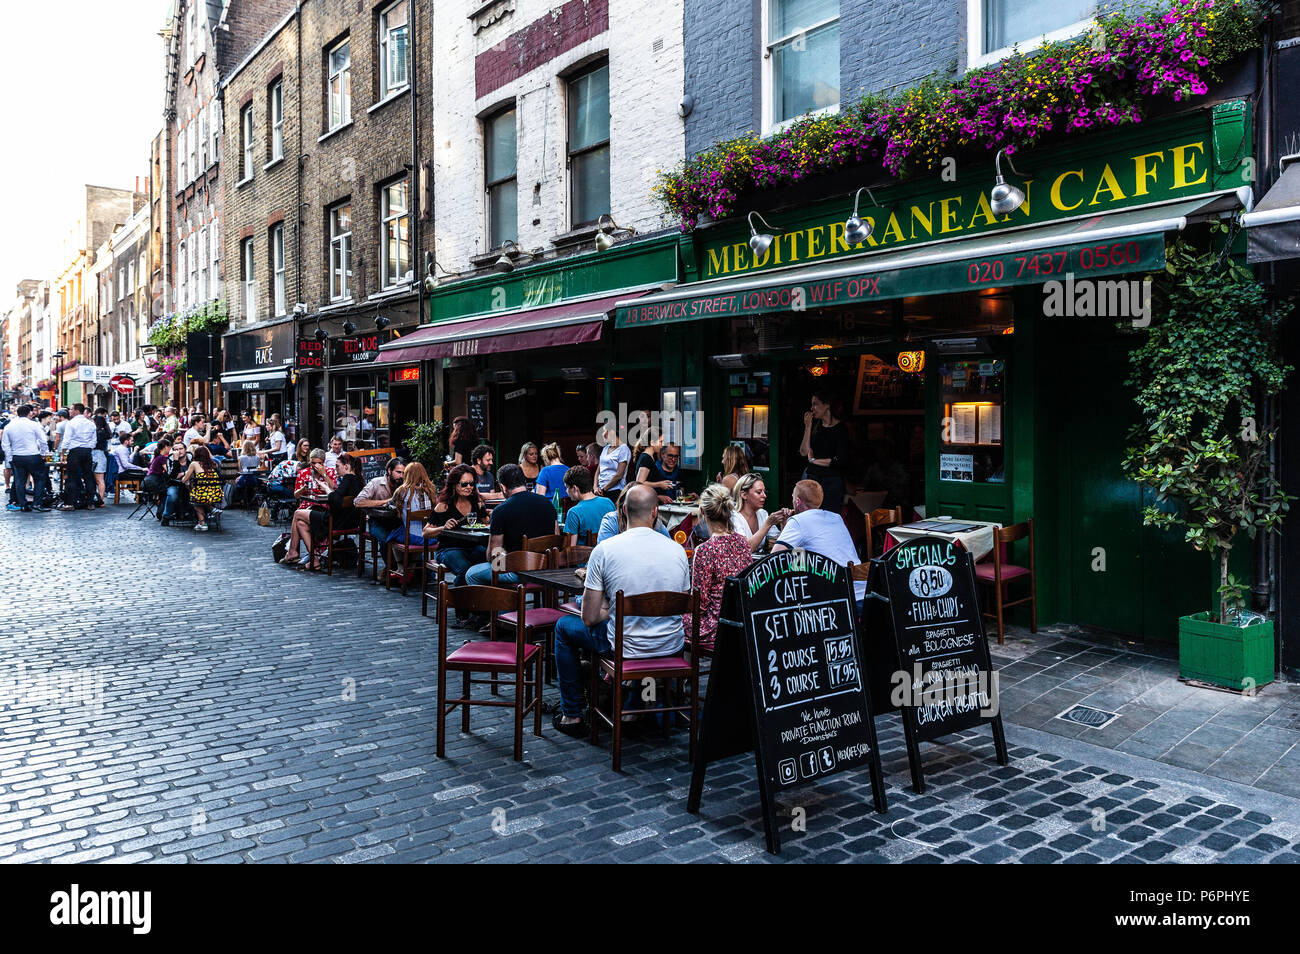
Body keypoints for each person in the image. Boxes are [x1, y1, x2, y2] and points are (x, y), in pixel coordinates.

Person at [551, 484, 690, 737]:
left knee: (563, 628)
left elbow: (590, 617)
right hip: (670, 645)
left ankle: (572, 714)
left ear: (623, 510)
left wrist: (612, 609)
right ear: (655, 513)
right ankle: (634, 707)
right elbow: (681, 603)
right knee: (635, 628)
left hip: (626, 646)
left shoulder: (606, 549)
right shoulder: (678, 550)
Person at [772, 479, 868, 610]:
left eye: (793, 497)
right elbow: (805, 553)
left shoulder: (797, 521)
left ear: (797, 501)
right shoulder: (836, 518)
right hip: (863, 593)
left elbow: (775, 556)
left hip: (837, 600)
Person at [464, 464, 557, 597]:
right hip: (546, 569)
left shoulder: (500, 511)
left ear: (502, 487)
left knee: (472, 574)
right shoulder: (548, 504)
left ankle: (492, 613)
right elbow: (556, 538)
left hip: (517, 572)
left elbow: (494, 556)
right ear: (524, 481)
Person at [683, 484, 754, 642]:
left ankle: (687, 666)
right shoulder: (742, 542)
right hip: (741, 620)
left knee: (674, 623)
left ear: (702, 512)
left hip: (716, 626)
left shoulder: (705, 550)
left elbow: (699, 604)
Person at [424, 463, 488, 588]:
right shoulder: (444, 506)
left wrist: (490, 517)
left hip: (473, 547)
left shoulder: (476, 503)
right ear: (454, 485)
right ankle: (457, 602)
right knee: (465, 570)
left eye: (472, 484)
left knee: (492, 564)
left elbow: (487, 523)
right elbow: (425, 532)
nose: (469, 487)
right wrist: (443, 528)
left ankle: (482, 600)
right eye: (464, 484)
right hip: (449, 549)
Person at [799, 390, 850, 513]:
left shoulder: (840, 429)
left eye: (815, 404)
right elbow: (804, 452)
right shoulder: (815, 427)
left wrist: (813, 460)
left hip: (832, 482)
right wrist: (808, 427)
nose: (812, 408)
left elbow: (839, 460)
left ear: (826, 405)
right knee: (811, 514)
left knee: (830, 515)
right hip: (813, 479)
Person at [355, 455, 405, 579]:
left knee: (410, 538)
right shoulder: (376, 483)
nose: (401, 476)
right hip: (377, 521)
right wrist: (384, 502)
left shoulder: (404, 485)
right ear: (389, 471)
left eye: (403, 473)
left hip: (397, 522)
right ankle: (390, 568)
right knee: (386, 540)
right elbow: (358, 502)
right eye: (398, 472)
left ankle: (406, 570)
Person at [383, 461, 439, 560]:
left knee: (393, 534)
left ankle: (401, 568)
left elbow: (390, 506)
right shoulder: (431, 490)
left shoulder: (401, 491)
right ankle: (413, 566)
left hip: (412, 537)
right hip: (431, 537)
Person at [2, 405, 51, 512]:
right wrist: (43, 453)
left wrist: (10, 457)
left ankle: (23, 504)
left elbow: (5, 444)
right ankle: (37, 503)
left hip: (17, 456)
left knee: (19, 481)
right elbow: (43, 440)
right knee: (39, 479)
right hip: (33, 455)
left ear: (17, 413)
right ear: (29, 413)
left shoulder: (9, 426)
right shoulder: (33, 425)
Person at [731, 473, 789, 552]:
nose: (764, 496)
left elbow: (779, 542)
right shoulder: (734, 517)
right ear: (744, 495)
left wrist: (783, 522)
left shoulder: (762, 513)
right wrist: (768, 524)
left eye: (764, 492)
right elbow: (744, 550)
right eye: (759, 492)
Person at [562, 465, 614, 547]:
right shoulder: (608, 502)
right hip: (609, 555)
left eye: (567, 487)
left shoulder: (574, 512)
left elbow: (571, 549)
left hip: (586, 558)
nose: (566, 491)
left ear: (575, 488)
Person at [58, 404, 98, 511]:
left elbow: (66, 440)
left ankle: (70, 503)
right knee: (88, 477)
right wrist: (89, 449)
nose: (70, 411)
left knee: (71, 477)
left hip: (75, 451)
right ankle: (90, 503)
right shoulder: (91, 424)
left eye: (71, 409)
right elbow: (94, 441)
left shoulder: (71, 423)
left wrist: (62, 453)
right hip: (87, 451)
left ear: (76, 411)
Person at [181, 445, 223, 532]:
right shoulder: (213, 464)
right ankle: (212, 509)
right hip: (216, 494)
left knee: (195, 500)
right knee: (200, 496)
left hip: (201, 495)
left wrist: (186, 475)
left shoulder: (194, 464)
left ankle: (202, 523)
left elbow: (184, 480)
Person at [636, 440, 682, 504]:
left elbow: (682, 493)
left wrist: (689, 496)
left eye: (676, 456)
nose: (673, 459)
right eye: (670, 456)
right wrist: (658, 496)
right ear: (663, 455)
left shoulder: (680, 472)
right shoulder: (653, 468)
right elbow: (639, 484)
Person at [293, 448, 338, 514]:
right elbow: (296, 495)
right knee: (300, 522)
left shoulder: (330, 471)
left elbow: (335, 490)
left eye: (319, 463)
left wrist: (324, 474)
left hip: (325, 505)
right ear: (309, 461)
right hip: (308, 505)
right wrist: (304, 488)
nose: (315, 466)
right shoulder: (303, 473)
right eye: (313, 463)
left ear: (324, 461)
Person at [160, 441, 192, 525]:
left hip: (190, 482)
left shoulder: (190, 457)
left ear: (185, 450)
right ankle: (166, 516)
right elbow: (173, 476)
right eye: (176, 449)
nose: (179, 451)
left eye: (181, 449)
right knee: (172, 495)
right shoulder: (170, 459)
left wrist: (183, 474)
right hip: (173, 483)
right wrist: (176, 461)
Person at [595, 425, 630, 497]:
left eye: (604, 431)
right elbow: (598, 470)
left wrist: (604, 489)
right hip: (600, 491)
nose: (602, 434)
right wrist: (595, 487)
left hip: (614, 491)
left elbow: (619, 475)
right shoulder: (605, 448)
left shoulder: (623, 449)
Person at [90, 408, 112, 507]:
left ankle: (100, 500)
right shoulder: (104, 431)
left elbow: (93, 445)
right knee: (100, 480)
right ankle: (101, 499)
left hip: (96, 455)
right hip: (101, 455)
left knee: (98, 480)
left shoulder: (98, 432)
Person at [233, 439, 265, 507]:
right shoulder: (257, 457)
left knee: (239, 482)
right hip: (255, 479)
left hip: (245, 479)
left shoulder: (241, 458)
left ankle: (241, 500)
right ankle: (251, 500)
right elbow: (258, 468)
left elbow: (240, 470)